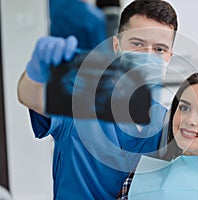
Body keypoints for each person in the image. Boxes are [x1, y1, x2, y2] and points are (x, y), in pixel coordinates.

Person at [17, 0, 177, 199]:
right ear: (117, 46)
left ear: (169, 57)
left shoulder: (168, 124)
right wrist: (36, 72)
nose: (147, 56)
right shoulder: (81, 99)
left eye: (159, 49)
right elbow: (32, 98)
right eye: (137, 44)